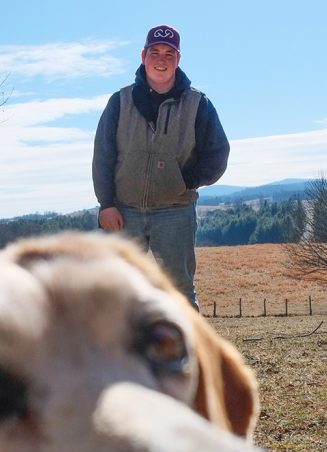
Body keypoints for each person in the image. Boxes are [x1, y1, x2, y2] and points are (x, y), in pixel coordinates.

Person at [92, 24, 229, 309]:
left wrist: (183, 181)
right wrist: (106, 204)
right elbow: (103, 155)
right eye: (155, 52)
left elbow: (217, 155)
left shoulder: (198, 104)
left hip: (175, 212)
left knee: (179, 290)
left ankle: (188, 353)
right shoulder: (120, 102)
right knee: (118, 291)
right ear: (143, 56)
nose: (161, 60)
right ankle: (123, 354)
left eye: (169, 54)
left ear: (178, 60)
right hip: (124, 211)